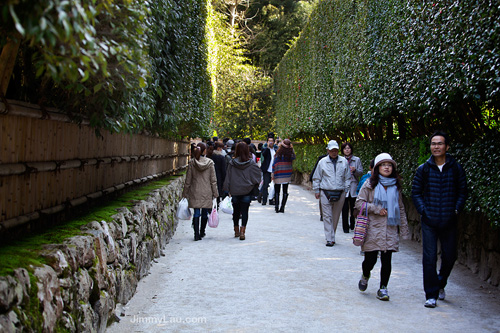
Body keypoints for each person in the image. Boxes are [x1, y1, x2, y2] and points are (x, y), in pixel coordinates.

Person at [411, 130, 468, 308]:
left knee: (450, 256)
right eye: (433, 144)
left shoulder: (456, 168)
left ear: (447, 146)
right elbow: (416, 193)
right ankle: (431, 294)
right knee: (429, 258)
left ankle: (440, 283)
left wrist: (457, 209)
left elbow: (463, 191)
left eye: (440, 143)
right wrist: (423, 211)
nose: (436, 147)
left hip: (449, 219)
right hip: (429, 220)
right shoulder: (424, 169)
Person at [355, 153, 410, 301]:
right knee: (370, 260)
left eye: (390, 164)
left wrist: (404, 228)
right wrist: (376, 208)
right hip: (372, 228)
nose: (387, 167)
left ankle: (383, 288)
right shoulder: (369, 184)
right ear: (377, 168)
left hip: (390, 228)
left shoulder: (396, 186)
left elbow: (401, 207)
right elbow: (359, 203)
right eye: (383, 164)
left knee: (387, 260)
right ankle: (365, 274)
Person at [312, 140, 350, 246]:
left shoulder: (343, 161)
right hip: (325, 191)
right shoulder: (322, 162)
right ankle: (330, 238)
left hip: (340, 191)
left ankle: (332, 235)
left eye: (336, 150)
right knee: (327, 216)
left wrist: (346, 189)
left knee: (336, 215)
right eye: (332, 150)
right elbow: (317, 177)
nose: (334, 152)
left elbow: (348, 177)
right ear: (328, 150)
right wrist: (316, 190)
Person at [223, 142, 262, 240]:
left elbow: (228, 177)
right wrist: (254, 183)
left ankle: (236, 230)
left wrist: (226, 189)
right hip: (247, 190)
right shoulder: (251, 163)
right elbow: (258, 175)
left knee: (236, 211)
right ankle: (242, 232)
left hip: (235, 190)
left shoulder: (232, 163)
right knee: (245, 211)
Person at [182, 142, 219, 241]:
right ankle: (202, 231)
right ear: (204, 150)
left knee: (197, 212)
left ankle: (196, 234)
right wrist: (215, 193)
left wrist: (185, 193)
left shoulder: (192, 163)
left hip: (195, 190)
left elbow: (188, 180)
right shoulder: (210, 163)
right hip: (206, 191)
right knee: (204, 213)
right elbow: (213, 180)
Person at [341, 142, 363, 233]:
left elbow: (361, 172)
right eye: (345, 148)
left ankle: (352, 223)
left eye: (348, 148)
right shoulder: (340, 160)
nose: (347, 150)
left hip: (353, 185)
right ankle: (345, 227)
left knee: (354, 207)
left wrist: (355, 170)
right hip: (344, 186)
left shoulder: (356, 160)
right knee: (344, 207)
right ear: (342, 150)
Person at [272, 139, 296, 213]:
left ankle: (276, 207)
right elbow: (294, 157)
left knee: (277, 191)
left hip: (278, 173)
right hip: (287, 173)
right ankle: (282, 208)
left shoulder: (278, 153)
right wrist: (291, 148)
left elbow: (274, 164)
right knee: (285, 191)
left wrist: (273, 173)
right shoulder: (291, 153)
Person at [207, 141, 227, 207]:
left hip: (209, 176)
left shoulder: (209, 156)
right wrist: (224, 180)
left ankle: (209, 207)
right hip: (218, 177)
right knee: (217, 193)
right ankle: (215, 208)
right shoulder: (221, 157)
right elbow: (223, 170)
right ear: (218, 148)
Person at [260, 135, 277, 206]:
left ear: (274, 142)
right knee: (265, 186)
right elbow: (263, 155)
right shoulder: (265, 149)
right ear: (267, 142)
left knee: (274, 186)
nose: (270, 142)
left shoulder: (276, 150)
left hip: (275, 171)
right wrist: (267, 147)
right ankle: (264, 200)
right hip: (267, 170)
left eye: (272, 141)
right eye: (269, 141)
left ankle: (271, 200)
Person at [310, 153, 327, 221]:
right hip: (323, 183)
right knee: (322, 199)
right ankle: (322, 214)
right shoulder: (322, 159)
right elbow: (316, 170)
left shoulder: (341, 160)